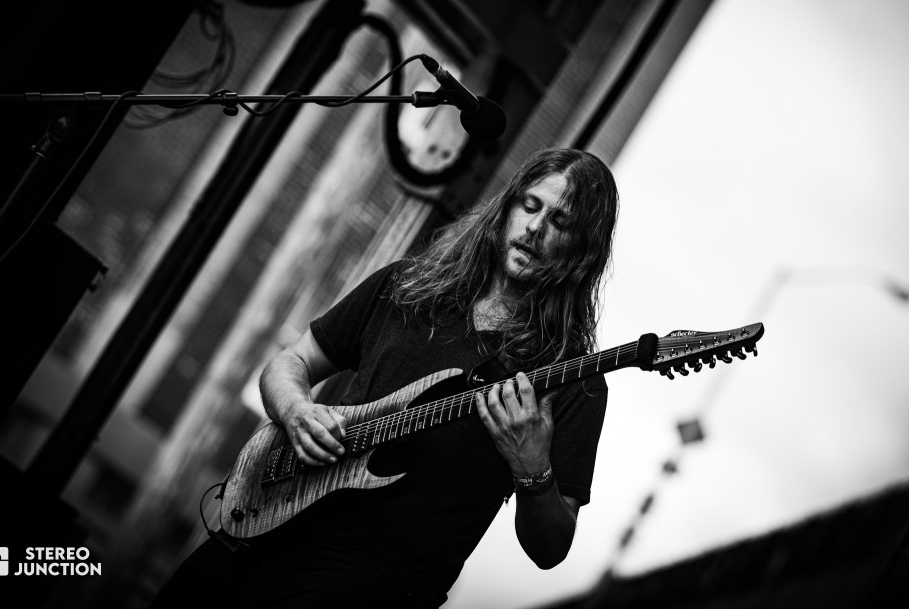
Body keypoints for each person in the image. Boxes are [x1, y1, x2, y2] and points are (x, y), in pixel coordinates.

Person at [152, 147, 619, 608]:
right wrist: (296, 411)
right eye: (530, 206)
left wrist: (533, 467)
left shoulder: (572, 379)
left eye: (560, 222)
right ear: (508, 207)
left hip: (377, 582)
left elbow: (549, 548)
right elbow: (291, 362)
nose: (535, 228)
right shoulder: (409, 286)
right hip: (269, 525)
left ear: (582, 250)